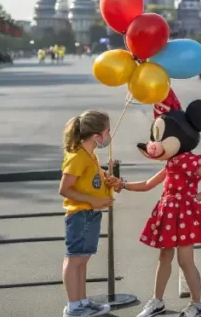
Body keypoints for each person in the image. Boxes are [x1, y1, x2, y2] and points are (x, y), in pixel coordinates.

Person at [117, 99, 201, 317]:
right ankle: (157, 301)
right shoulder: (172, 163)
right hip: (168, 213)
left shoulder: (188, 162)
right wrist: (123, 185)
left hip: (184, 215)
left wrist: (198, 197)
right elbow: (148, 184)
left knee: (185, 260)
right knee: (165, 256)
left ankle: (197, 303)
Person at [58, 110, 117, 317]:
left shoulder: (90, 155)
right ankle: (73, 306)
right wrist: (94, 200)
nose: (109, 136)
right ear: (96, 136)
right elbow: (65, 189)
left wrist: (107, 180)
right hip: (80, 215)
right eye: (107, 131)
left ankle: (82, 301)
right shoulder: (77, 157)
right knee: (74, 260)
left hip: (90, 214)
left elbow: (91, 182)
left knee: (83, 260)